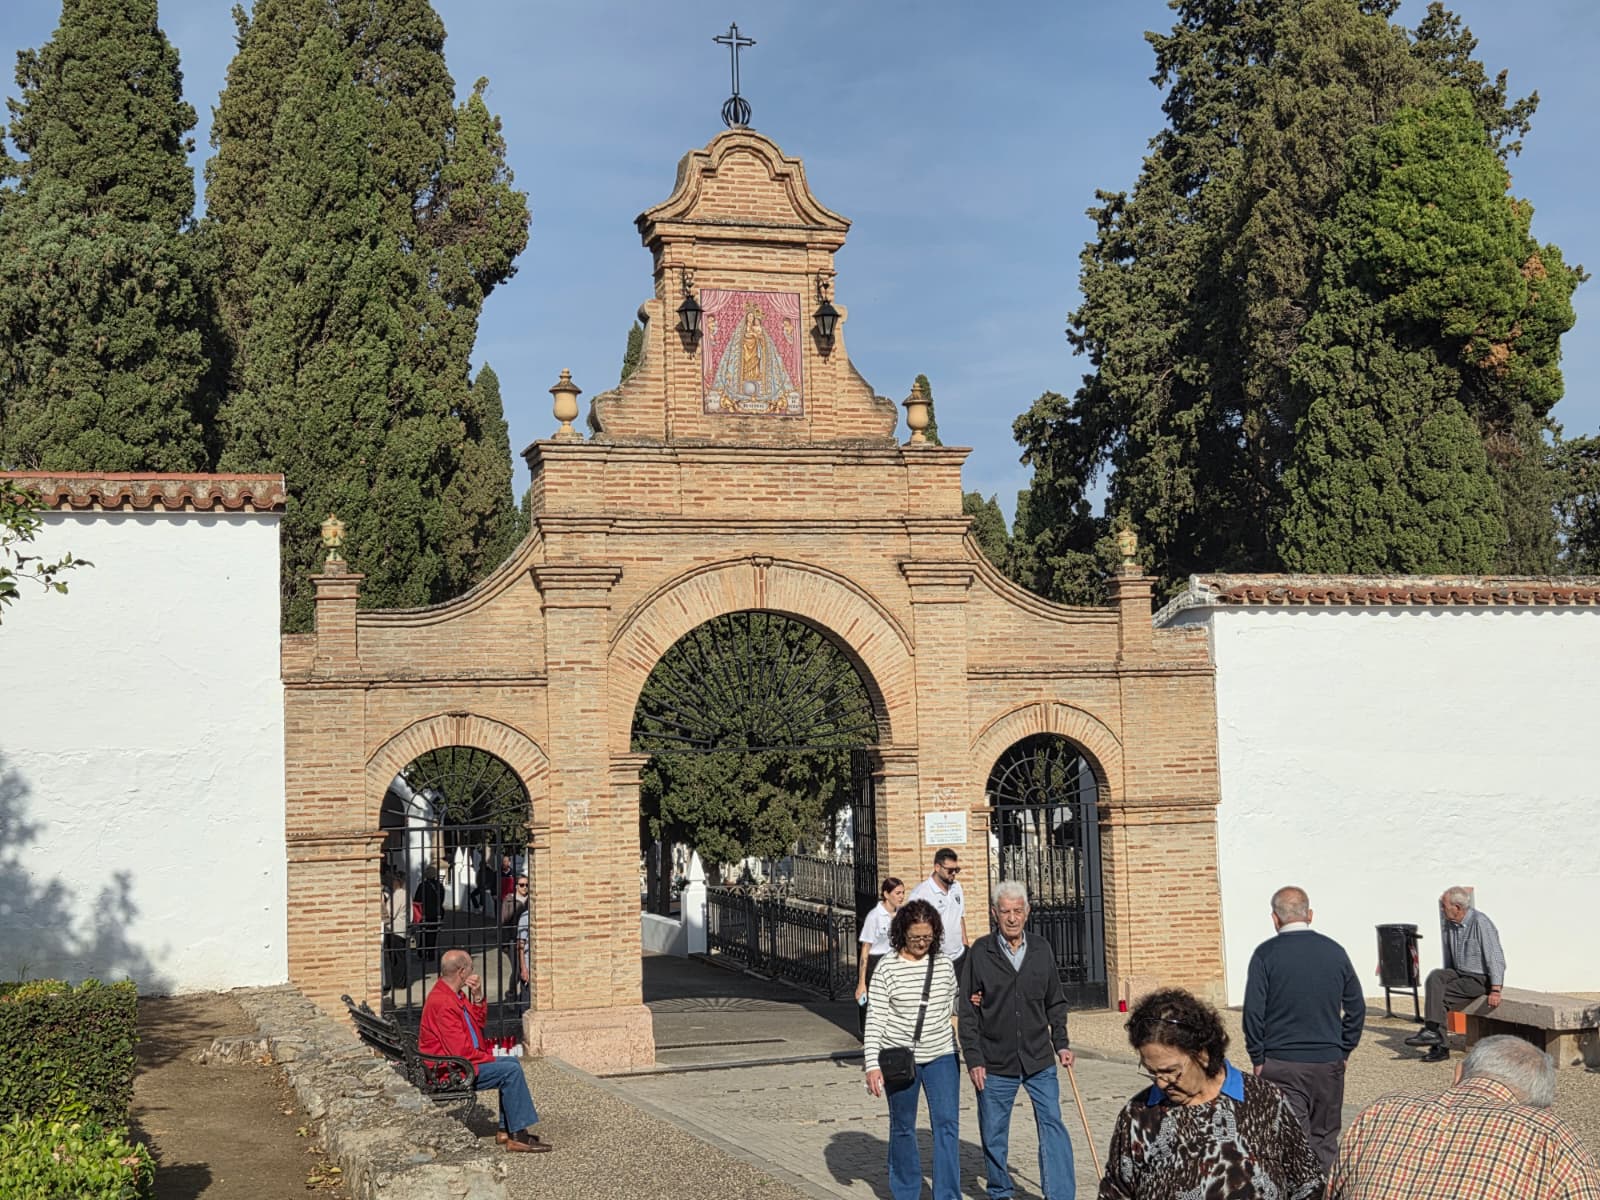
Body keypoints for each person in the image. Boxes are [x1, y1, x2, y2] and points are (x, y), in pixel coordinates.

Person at [1099, 987, 1322, 1200]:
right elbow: (1117, 1191)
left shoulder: (1263, 1100)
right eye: (1152, 1072)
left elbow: (1307, 1184)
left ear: (1203, 1054)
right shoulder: (1139, 1114)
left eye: (1170, 1072)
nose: (1161, 1083)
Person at [1329, 1034, 1600, 1199]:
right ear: (1542, 1108)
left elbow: (1333, 1191)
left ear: (1458, 1074)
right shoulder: (1549, 1134)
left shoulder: (1383, 1109)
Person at [958, 881, 1076, 1200]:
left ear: (1028, 913)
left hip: (1039, 1058)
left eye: (1018, 911)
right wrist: (974, 1059)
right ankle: (1000, 1191)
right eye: (1006, 911)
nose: (1012, 918)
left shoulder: (1041, 949)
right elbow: (967, 1012)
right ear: (995, 913)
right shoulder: (981, 952)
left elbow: (1056, 1001)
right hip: (995, 1061)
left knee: (1053, 1125)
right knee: (994, 1133)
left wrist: (1061, 1043)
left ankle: (1061, 1195)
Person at [1242, 884, 1365, 1175]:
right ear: (1309, 914)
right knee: (1324, 1137)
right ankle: (1324, 1189)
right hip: (1326, 1061)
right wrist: (1344, 1047)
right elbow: (1356, 1007)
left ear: (1275, 918)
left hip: (1281, 1061)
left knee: (1289, 1138)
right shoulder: (1335, 952)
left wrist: (1257, 1057)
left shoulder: (1265, 955)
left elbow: (1253, 1013)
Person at [863, 898, 961, 1200]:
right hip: (900, 1057)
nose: (921, 942)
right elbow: (875, 1018)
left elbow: (952, 1007)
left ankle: (947, 1194)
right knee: (903, 1125)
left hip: (942, 1054)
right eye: (916, 937)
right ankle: (906, 1191)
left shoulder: (943, 964)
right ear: (902, 933)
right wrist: (871, 1064)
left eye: (927, 937)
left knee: (946, 1125)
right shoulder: (886, 969)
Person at [417, 949, 551, 1154]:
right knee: (510, 1071)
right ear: (462, 972)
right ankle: (518, 1136)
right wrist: (489, 1058)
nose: (473, 971)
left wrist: (478, 996)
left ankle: (508, 1129)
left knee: (511, 1062)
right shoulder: (443, 1003)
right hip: (451, 1070)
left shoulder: (452, 994)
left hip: (457, 1062)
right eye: (471, 967)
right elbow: (460, 1052)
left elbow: (477, 1024)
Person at [1405, 886, 1506, 1063]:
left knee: (1441, 998)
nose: (1442, 910)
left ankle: (1439, 1045)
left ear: (1457, 908)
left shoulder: (1480, 922)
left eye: (1444, 906)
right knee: (1436, 977)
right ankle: (1432, 1032)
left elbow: (1495, 956)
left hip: (1479, 978)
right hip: (1459, 972)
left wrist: (1495, 990)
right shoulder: (1450, 925)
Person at [856, 876, 905, 1038]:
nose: (901, 896)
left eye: (903, 893)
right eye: (897, 893)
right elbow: (865, 948)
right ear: (886, 894)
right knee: (875, 1003)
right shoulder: (874, 916)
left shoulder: (901, 915)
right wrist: (862, 982)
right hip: (876, 961)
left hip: (895, 961)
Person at [909, 848, 968, 964]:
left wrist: (965, 945)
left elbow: (960, 917)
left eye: (956, 870)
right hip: (935, 960)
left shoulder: (957, 887)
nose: (954, 874)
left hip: (959, 957)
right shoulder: (921, 894)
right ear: (937, 867)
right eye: (950, 870)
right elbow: (912, 927)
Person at [412, 864, 444, 963]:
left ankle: (421, 951)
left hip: (424, 913)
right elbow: (441, 899)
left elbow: (417, 900)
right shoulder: (439, 886)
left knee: (423, 933)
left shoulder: (422, 886)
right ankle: (431, 954)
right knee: (433, 934)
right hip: (436, 914)